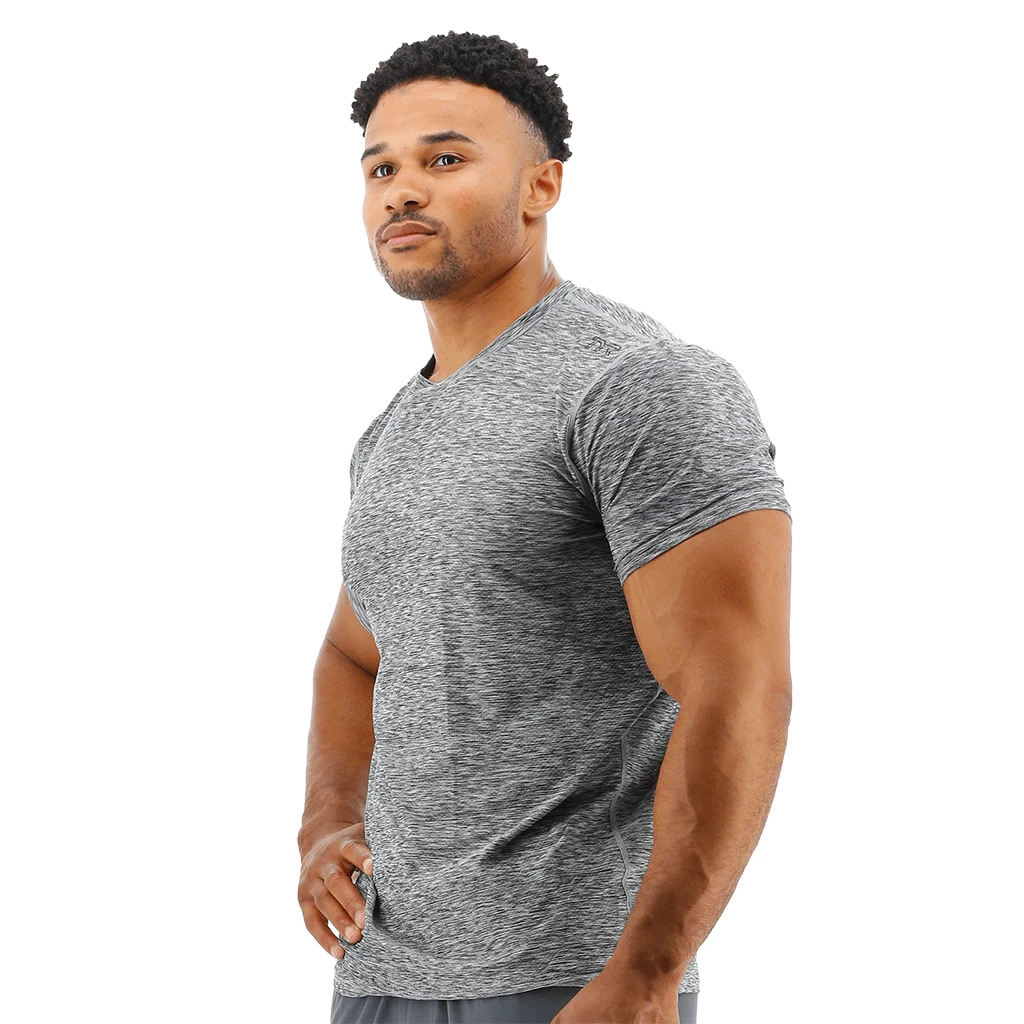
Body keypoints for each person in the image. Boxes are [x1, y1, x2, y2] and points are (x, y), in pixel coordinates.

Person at [297, 30, 793, 1024]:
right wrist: (325, 822)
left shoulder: (638, 384)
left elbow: (737, 684)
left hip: (569, 980)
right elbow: (356, 652)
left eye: (445, 158)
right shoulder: (391, 431)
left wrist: (647, 973)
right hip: (380, 974)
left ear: (542, 185)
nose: (402, 190)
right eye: (380, 169)